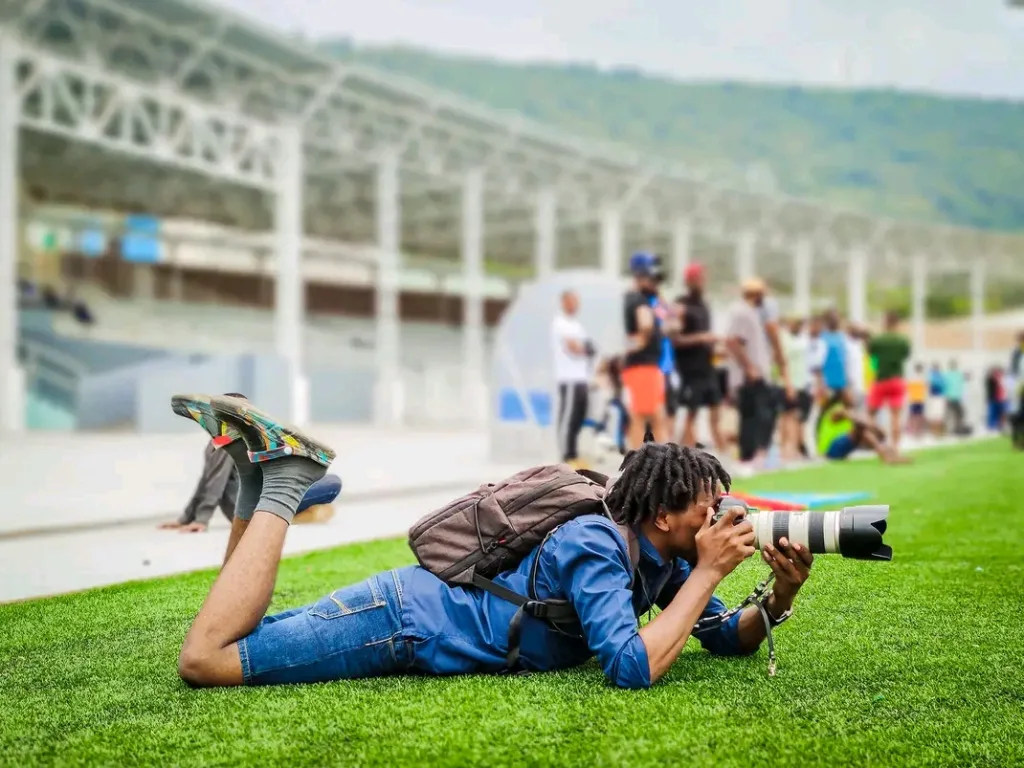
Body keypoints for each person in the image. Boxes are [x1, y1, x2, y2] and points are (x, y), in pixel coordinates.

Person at [173, 394, 814, 690]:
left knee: (233, 642)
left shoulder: (659, 559)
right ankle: (285, 484)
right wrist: (707, 574)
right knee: (207, 660)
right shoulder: (597, 541)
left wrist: (780, 592)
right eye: (708, 507)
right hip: (403, 622)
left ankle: (258, 490)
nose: (721, 517)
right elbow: (629, 667)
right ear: (666, 516)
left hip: (404, 613)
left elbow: (726, 638)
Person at [725, 277, 775, 471]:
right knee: (752, 417)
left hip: (755, 373)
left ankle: (753, 458)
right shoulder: (742, 313)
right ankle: (748, 459)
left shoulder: (751, 313)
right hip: (749, 376)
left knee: (757, 415)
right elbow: (734, 341)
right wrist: (749, 368)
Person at [672, 263, 724, 449]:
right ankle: (685, 452)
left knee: (716, 408)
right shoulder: (681, 305)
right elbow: (675, 339)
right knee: (691, 412)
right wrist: (700, 338)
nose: (702, 281)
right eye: (699, 278)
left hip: (707, 366)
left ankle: (722, 449)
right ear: (690, 280)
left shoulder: (704, 305)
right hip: (690, 368)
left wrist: (714, 346)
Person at [621, 252, 668, 447]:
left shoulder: (634, 298)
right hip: (643, 365)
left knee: (652, 414)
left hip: (643, 365)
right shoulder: (638, 299)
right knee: (646, 417)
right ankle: (650, 463)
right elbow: (645, 324)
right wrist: (639, 342)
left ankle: (654, 461)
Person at [159, 435, 240, 533]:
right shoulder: (219, 438)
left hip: (252, 513)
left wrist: (201, 519)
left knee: (222, 475)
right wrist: (187, 518)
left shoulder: (229, 435)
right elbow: (208, 478)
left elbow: (217, 479)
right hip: (246, 513)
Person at [551, 290, 592, 467]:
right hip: (568, 378)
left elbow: (586, 347)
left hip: (581, 378)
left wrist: (586, 348)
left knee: (578, 416)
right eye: (572, 301)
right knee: (567, 417)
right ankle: (565, 455)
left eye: (577, 301)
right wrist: (585, 348)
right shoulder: (560, 323)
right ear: (564, 302)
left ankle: (574, 453)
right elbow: (575, 347)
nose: (575, 305)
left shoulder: (576, 325)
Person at [815, 392, 910, 465]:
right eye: (850, 392)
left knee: (863, 431)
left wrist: (876, 429)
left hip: (840, 449)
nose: (853, 395)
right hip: (830, 450)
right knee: (860, 429)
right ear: (842, 396)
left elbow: (866, 422)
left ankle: (890, 454)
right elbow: (857, 420)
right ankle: (886, 455)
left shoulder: (849, 409)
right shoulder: (837, 409)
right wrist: (875, 428)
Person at [866, 311, 912, 450]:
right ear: (897, 323)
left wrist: (875, 369)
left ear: (885, 322)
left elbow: (871, 358)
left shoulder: (877, 341)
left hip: (880, 380)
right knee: (896, 416)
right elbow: (905, 357)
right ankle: (895, 446)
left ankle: (873, 444)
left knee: (870, 414)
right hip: (897, 380)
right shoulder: (903, 341)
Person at [779, 318, 812, 461]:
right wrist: (788, 384)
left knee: (796, 418)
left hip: (801, 383)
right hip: (790, 384)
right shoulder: (785, 340)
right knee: (789, 417)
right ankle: (788, 451)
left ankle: (794, 450)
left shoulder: (803, 340)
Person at [816, 309, 849, 402]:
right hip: (826, 383)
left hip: (841, 383)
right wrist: (820, 384)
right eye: (832, 318)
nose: (835, 321)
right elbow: (818, 364)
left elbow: (845, 361)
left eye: (836, 318)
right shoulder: (822, 337)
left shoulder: (843, 337)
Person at [943, 360, 967, 435]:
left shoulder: (951, 374)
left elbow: (961, 385)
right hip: (953, 398)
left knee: (957, 414)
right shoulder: (956, 375)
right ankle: (952, 429)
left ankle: (955, 429)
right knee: (956, 414)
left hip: (953, 398)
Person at [905, 363, 928, 438]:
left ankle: (914, 431)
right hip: (919, 400)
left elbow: (907, 389)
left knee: (914, 416)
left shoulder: (912, 378)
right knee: (918, 416)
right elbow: (926, 389)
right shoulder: (923, 378)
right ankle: (917, 431)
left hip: (914, 399)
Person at [926, 363, 946, 436]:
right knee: (938, 415)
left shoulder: (931, 376)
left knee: (935, 415)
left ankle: (935, 432)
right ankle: (938, 432)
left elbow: (928, 386)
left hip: (934, 397)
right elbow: (943, 386)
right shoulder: (940, 376)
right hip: (939, 397)